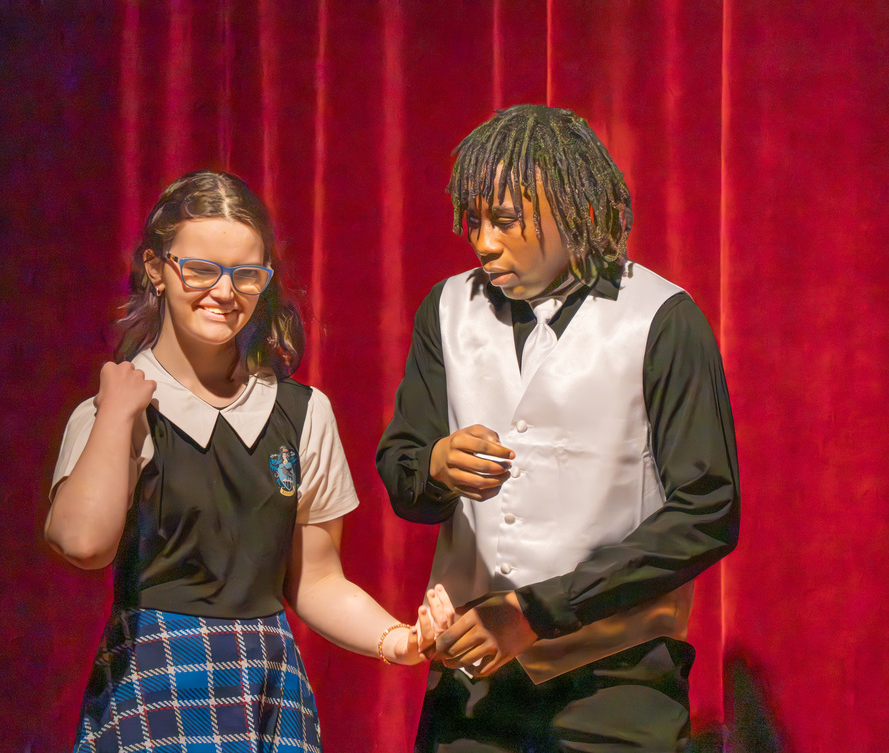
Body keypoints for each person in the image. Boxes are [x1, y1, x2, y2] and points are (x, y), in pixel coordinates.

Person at [45, 170, 453, 752]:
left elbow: (315, 579)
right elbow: (82, 542)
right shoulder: (118, 409)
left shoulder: (301, 410)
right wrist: (117, 412)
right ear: (156, 268)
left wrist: (399, 640)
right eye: (202, 269)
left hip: (267, 677)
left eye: (246, 274)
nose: (223, 291)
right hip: (156, 677)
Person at [377, 105, 740, 752]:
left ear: (578, 212)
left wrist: (534, 612)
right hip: (473, 689)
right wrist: (433, 464)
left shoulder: (662, 318)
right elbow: (404, 468)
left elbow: (707, 509)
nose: (484, 242)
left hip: (616, 686)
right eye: (476, 220)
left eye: (506, 221)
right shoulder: (447, 308)